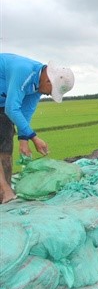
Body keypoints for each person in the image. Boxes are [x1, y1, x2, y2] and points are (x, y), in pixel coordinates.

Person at [0, 54, 75, 203]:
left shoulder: (38, 86)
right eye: (51, 91)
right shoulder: (24, 71)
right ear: (48, 80)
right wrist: (34, 137)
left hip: (3, 103)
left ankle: (4, 193)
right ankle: (5, 191)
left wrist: (23, 139)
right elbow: (12, 108)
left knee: (5, 150)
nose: (48, 94)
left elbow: (25, 112)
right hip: (7, 105)